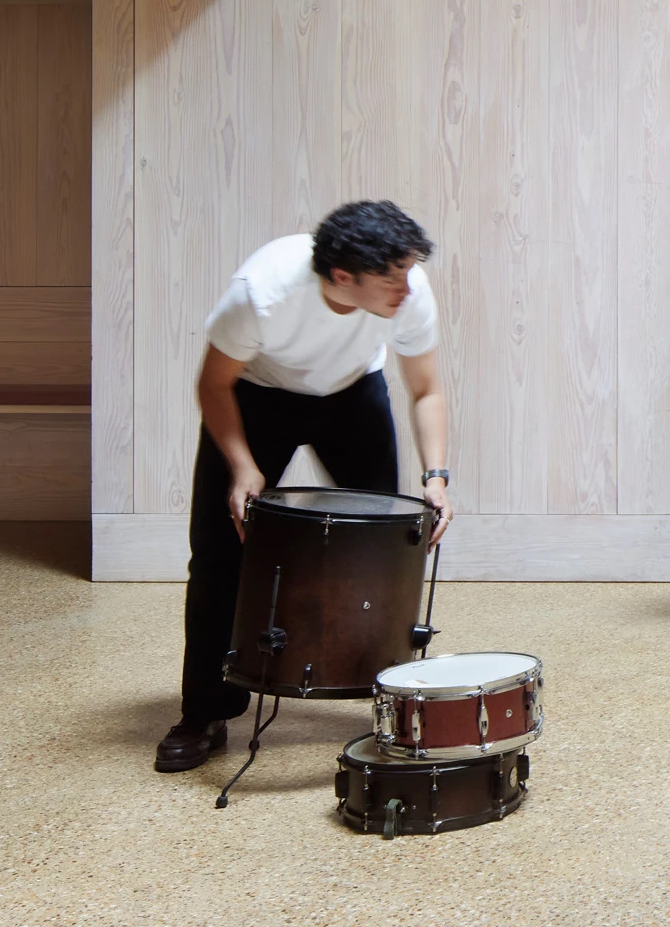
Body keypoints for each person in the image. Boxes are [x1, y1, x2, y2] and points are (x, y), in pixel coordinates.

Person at [153, 198, 454, 772]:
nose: (407, 289)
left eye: (409, 271)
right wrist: (243, 465)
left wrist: (435, 478)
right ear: (343, 277)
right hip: (258, 397)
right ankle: (204, 713)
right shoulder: (261, 293)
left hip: (353, 397)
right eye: (391, 278)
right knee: (219, 556)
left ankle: (381, 700)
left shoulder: (409, 293)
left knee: (383, 552)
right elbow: (214, 385)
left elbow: (426, 391)